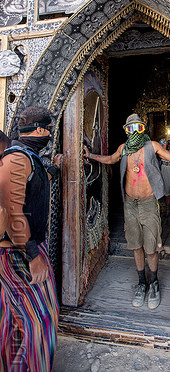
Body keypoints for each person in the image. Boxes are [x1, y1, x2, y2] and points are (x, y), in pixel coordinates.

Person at [84, 113, 170, 310]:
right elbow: (110, 159)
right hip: (130, 204)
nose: (134, 132)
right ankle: (142, 283)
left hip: (148, 203)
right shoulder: (123, 149)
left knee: (151, 247)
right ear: (126, 131)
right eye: (130, 128)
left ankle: (154, 283)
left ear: (143, 129)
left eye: (138, 128)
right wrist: (90, 156)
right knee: (136, 245)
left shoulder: (152, 146)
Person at [0, 106, 62, 371]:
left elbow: (35, 182)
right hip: (18, 253)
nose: (49, 134)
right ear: (39, 130)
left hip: (22, 248)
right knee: (40, 318)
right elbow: (12, 209)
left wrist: (55, 169)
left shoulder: (27, 158)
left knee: (13, 316)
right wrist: (33, 254)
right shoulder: (16, 159)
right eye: (48, 129)